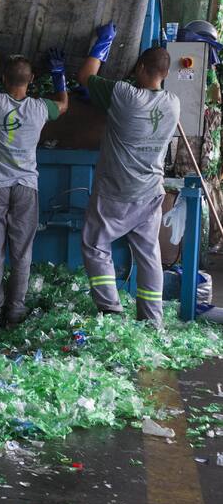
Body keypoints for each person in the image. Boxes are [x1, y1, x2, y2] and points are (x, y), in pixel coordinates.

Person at [77, 23, 180, 328]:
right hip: (150, 193)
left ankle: (110, 309)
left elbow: (85, 77)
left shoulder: (123, 95)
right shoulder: (172, 104)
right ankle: (152, 320)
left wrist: (102, 43)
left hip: (115, 193)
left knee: (95, 245)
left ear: (140, 67)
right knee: (148, 254)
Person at [0, 24, 69, 331]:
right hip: (26, 187)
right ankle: (15, 310)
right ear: (32, 81)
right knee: (22, 252)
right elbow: (64, 105)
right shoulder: (40, 109)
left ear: (3, 80)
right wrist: (59, 74)